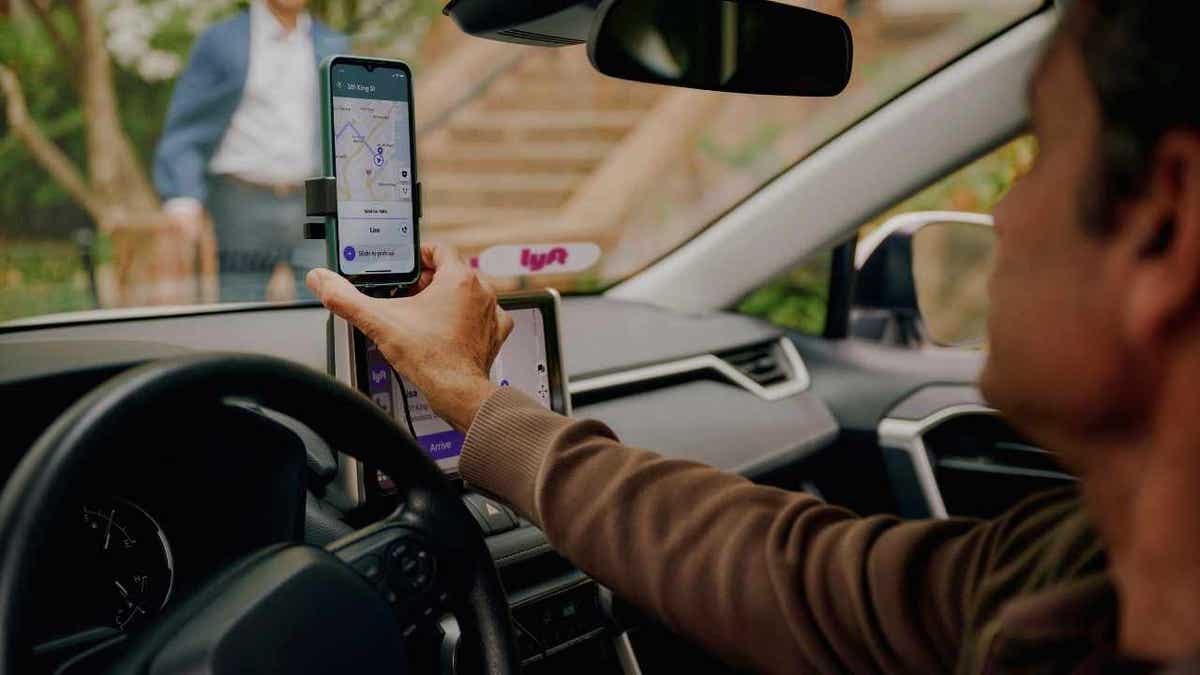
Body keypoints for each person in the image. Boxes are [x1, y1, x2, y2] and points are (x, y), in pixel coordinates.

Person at [309, 2, 1200, 673]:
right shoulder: (1073, 567)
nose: (1003, 211)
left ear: (1168, 222)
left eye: (1042, 152)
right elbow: (785, 569)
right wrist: (476, 400)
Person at [154, 0, 348, 303]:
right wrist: (182, 195)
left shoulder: (332, 43)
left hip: (313, 204)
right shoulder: (220, 41)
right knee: (241, 305)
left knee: (324, 304)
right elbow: (186, 124)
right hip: (240, 203)